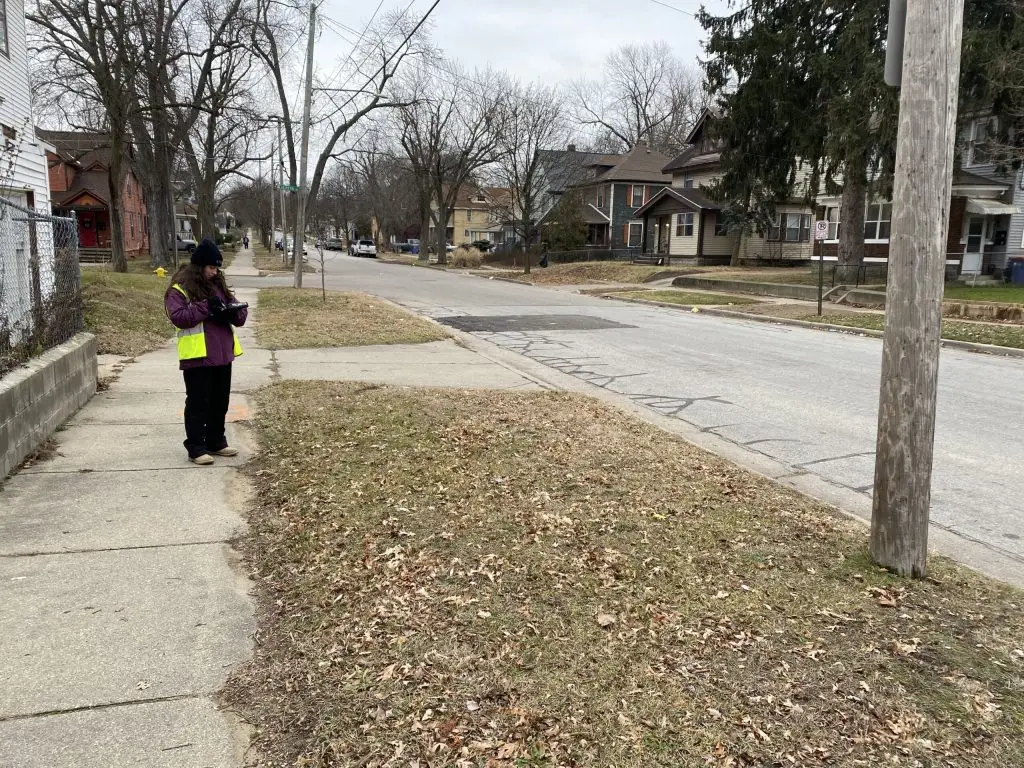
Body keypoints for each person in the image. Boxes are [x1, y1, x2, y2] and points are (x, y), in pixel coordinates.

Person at [164, 238, 248, 465]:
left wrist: (232, 311)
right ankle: (196, 447)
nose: (215, 271)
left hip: (222, 354)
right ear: (200, 266)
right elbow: (179, 317)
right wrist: (205, 307)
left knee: (220, 401)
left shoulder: (218, 285)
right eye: (211, 267)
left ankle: (216, 442)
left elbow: (238, 313)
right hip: (198, 356)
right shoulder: (179, 289)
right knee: (198, 402)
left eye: (217, 267)